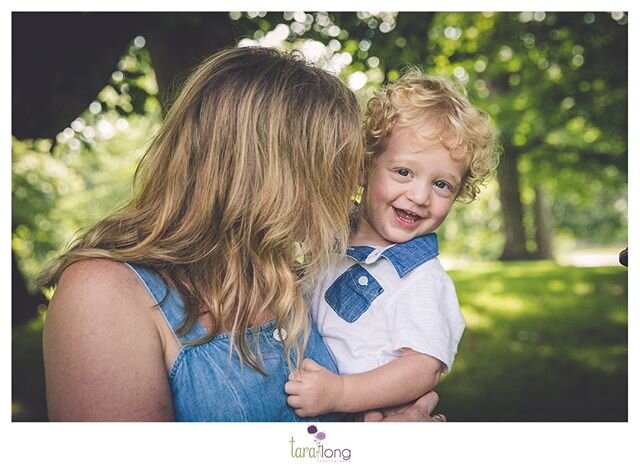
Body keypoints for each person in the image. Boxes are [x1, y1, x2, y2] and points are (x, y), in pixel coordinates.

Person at [41, 47, 442, 422]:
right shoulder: (104, 294)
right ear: (274, 176)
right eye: (338, 165)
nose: (356, 184)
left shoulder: (295, 278)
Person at [285, 70, 499, 418]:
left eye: (442, 184)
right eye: (404, 172)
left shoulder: (420, 280)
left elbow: (423, 367)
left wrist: (341, 393)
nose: (419, 196)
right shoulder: (331, 238)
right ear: (365, 167)